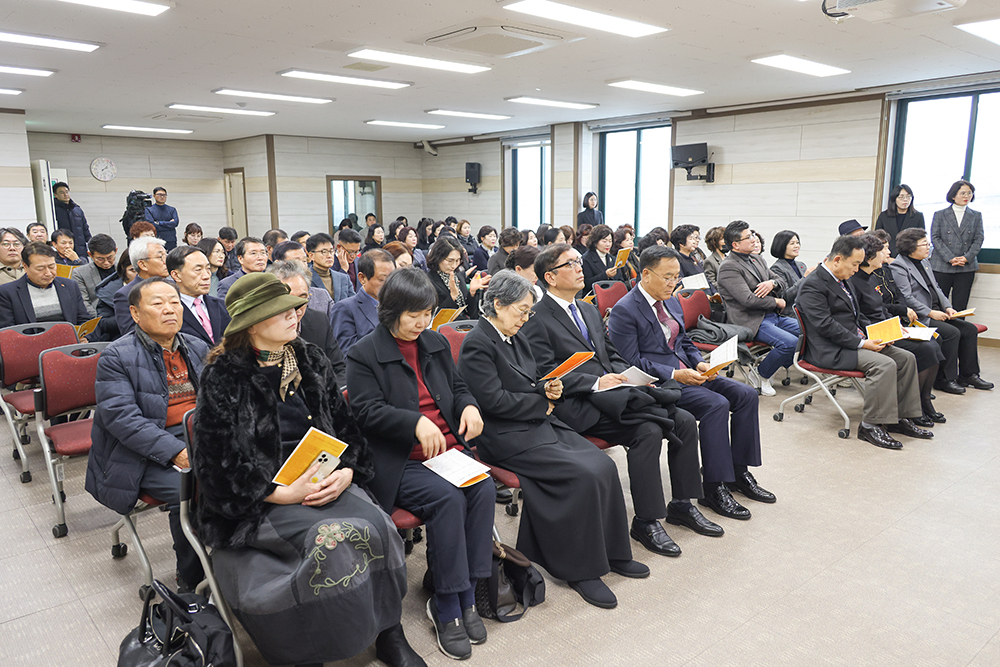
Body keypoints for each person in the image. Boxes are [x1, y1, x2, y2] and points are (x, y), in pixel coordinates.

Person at [191, 272, 421, 667]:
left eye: (293, 308)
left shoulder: (308, 357)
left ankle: (388, 631)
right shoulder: (224, 375)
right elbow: (216, 464)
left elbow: (346, 426)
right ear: (252, 325)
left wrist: (347, 471)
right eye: (281, 312)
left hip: (323, 476)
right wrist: (281, 493)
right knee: (329, 542)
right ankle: (313, 647)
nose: (294, 315)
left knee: (380, 527)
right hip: (263, 495)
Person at [459, 270, 647, 608]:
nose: (526, 318)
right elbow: (493, 402)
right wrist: (543, 401)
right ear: (498, 305)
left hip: (534, 421)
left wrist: (549, 388)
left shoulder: (515, 336)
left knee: (603, 465)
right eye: (522, 310)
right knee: (582, 474)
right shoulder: (478, 343)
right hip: (504, 435)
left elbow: (532, 380)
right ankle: (580, 570)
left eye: (530, 311)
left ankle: (614, 552)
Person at [523, 244, 716, 552]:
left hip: (614, 392)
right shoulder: (536, 317)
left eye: (577, 262)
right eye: (570, 264)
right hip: (578, 401)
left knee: (683, 420)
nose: (579, 267)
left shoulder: (586, 308)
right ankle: (646, 521)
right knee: (649, 431)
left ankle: (681, 503)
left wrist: (636, 377)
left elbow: (609, 353)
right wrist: (596, 382)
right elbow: (547, 372)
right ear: (550, 276)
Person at [346, 268, 492, 660]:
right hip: (401, 460)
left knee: (482, 487)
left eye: (427, 314)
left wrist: (469, 405)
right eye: (413, 315)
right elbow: (364, 411)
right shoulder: (364, 354)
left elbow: (458, 387)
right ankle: (447, 602)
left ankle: (468, 590)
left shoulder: (433, 342)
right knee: (448, 500)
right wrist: (412, 421)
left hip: (445, 453)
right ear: (390, 310)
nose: (422, 323)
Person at [608, 245, 775, 518]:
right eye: (667, 277)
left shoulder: (670, 299)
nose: (674, 283)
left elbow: (683, 339)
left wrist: (698, 361)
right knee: (716, 404)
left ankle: (738, 471)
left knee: (745, 395)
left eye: (676, 276)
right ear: (646, 274)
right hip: (662, 382)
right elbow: (630, 360)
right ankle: (713, 485)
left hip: (689, 371)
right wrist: (675, 374)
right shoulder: (625, 310)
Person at [86, 277, 209, 592]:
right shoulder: (117, 356)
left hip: (198, 436)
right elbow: (122, 418)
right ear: (136, 314)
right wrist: (177, 452)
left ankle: (236, 560)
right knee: (196, 487)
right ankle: (191, 580)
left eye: (174, 302)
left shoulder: (196, 346)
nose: (169, 310)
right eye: (158, 304)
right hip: (139, 453)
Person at [795, 234, 931, 450]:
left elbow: (857, 317)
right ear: (838, 259)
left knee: (906, 358)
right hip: (829, 349)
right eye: (855, 264)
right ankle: (870, 425)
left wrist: (883, 332)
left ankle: (898, 418)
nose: (857, 269)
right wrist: (861, 343)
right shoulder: (813, 285)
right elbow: (825, 326)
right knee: (884, 364)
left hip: (852, 340)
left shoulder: (843, 279)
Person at [849, 233, 944, 427]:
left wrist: (896, 326)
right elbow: (861, 317)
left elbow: (881, 308)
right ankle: (916, 406)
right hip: (875, 334)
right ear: (869, 257)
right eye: (883, 249)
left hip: (886, 328)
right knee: (927, 349)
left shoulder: (872, 277)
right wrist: (889, 329)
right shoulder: (856, 280)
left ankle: (923, 401)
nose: (888, 252)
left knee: (933, 340)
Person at [890, 227, 992, 394]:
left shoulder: (925, 261)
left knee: (969, 329)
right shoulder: (899, 266)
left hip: (938, 311)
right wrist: (930, 312)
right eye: (925, 244)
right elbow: (907, 297)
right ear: (910, 247)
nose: (929, 246)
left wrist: (948, 307)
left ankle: (968, 374)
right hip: (921, 316)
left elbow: (937, 288)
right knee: (952, 333)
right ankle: (945, 379)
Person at [716, 220, 801, 397]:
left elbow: (781, 281)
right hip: (751, 320)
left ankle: (766, 368)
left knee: (807, 332)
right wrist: (776, 302)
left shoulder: (757, 259)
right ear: (735, 244)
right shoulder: (728, 267)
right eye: (748, 237)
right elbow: (747, 300)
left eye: (753, 235)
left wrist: (773, 283)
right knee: (790, 343)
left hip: (771, 316)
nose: (754, 240)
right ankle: (761, 374)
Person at [268, 260, 347, 388]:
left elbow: (338, 368)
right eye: (289, 299)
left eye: (303, 297)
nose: (298, 307)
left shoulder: (319, 320)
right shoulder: (262, 329)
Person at [0, 242, 90, 329]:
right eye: (40, 269)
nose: (48, 273)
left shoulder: (69, 286)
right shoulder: (8, 293)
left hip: (70, 341)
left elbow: (83, 319)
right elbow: (9, 332)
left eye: (52, 267)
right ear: (25, 267)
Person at [930, 179, 984, 311]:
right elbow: (935, 237)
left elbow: (979, 239)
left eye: (969, 193)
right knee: (939, 305)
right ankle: (943, 332)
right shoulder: (940, 214)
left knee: (961, 306)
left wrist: (966, 258)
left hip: (966, 267)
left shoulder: (976, 215)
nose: (967, 196)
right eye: (963, 193)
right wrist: (950, 258)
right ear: (953, 195)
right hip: (942, 265)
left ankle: (960, 332)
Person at [331, 249, 395, 355]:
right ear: (362, 278)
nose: (388, 284)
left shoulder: (398, 304)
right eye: (382, 280)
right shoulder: (346, 308)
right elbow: (347, 354)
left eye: (392, 278)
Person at [166, 246, 230, 346]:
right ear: (176, 275)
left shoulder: (222, 306)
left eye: (208, 269)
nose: (206, 276)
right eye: (198, 270)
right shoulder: (168, 312)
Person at [114, 236, 169, 336]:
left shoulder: (173, 287)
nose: (166, 261)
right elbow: (131, 334)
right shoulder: (126, 294)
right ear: (142, 264)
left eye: (166, 255)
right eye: (160, 257)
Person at [427, 237, 489, 322]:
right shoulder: (428, 281)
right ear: (438, 257)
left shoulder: (458, 275)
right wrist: (452, 297)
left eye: (457, 261)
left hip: (465, 325)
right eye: (450, 261)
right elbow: (435, 318)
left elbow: (472, 314)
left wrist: (472, 292)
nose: (454, 265)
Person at [273, 240, 335, 317]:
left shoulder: (321, 295)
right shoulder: (273, 298)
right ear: (279, 264)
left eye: (304, 261)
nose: (303, 266)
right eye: (296, 261)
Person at [769, 230, 814, 318]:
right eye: (792, 243)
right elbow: (785, 296)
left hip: (808, 309)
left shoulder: (801, 265)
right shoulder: (776, 268)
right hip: (791, 314)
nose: (796, 246)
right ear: (782, 246)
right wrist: (805, 278)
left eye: (797, 242)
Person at [72, 234, 118, 318]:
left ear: (116, 251)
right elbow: (83, 302)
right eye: (100, 259)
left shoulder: (123, 270)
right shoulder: (80, 273)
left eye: (110, 258)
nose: (106, 263)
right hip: (98, 317)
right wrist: (99, 319)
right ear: (90, 255)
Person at [873, 184, 924, 256]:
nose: (905, 200)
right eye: (901, 197)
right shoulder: (884, 216)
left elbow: (921, 239)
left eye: (908, 197)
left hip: (909, 256)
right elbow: (877, 238)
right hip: (888, 257)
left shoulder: (918, 216)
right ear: (894, 198)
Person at [582, 224, 630, 295]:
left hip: (613, 295)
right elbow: (586, 283)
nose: (608, 244)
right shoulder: (586, 258)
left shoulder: (612, 258)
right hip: (595, 297)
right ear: (595, 242)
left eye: (610, 241)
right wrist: (605, 275)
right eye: (604, 241)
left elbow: (620, 279)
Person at [306, 233, 355, 302]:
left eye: (331, 251)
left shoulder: (343, 278)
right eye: (324, 252)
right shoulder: (305, 278)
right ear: (311, 255)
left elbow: (353, 303)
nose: (329, 255)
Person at [52, 182, 91, 257]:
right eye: (61, 192)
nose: (65, 194)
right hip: (64, 250)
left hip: (80, 249)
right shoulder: (53, 210)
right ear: (55, 195)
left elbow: (85, 229)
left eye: (66, 192)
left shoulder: (77, 209)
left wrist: (91, 244)